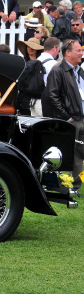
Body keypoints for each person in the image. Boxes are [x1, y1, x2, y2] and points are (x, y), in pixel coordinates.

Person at [43, 39, 84, 191]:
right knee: (68, 154)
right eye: (78, 50)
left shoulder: (79, 70)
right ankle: (62, 185)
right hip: (71, 120)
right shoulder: (58, 70)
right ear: (67, 52)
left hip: (81, 118)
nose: (81, 53)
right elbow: (51, 96)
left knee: (80, 154)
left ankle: (75, 186)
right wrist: (67, 117)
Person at [30, 37, 61, 116]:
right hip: (44, 104)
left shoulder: (37, 60)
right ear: (54, 48)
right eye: (59, 50)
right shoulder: (53, 64)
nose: (58, 53)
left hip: (32, 101)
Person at [16, 37, 44, 116]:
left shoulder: (42, 62)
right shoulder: (22, 63)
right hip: (24, 98)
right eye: (28, 47)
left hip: (38, 98)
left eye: (33, 47)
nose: (30, 49)